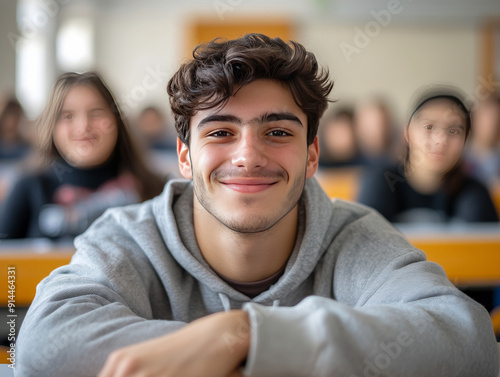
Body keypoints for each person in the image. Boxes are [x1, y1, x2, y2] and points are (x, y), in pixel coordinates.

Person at [16, 34, 499, 377]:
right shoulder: (127, 235)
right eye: (221, 132)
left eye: (278, 132)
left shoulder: (353, 236)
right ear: (185, 156)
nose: (248, 155)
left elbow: (470, 345)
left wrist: (245, 335)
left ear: (312, 155)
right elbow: (39, 349)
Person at [0, 72, 165, 239]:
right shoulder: (28, 188)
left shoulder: (156, 190)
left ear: (117, 121)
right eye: (68, 116)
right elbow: (6, 263)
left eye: (96, 113)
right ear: (52, 127)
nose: (83, 126)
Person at [357, 88, 498, 224]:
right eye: (429, 127)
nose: (440, 140)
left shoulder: (475, 194)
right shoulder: (381, 182)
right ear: (406, 133)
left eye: (454, 131)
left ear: (466, 140)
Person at [464, 94, 500, 188]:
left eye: (497, 118)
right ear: (473, 120)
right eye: (489, 118)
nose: (493, 125)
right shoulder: (458, 157)